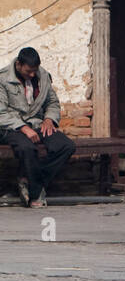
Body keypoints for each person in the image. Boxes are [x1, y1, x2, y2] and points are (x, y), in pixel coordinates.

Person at [0, 47, 75, 209]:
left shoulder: (43, 76)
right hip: (12, 127)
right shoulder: (3, 79)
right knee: (27, 148)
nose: (32, 75)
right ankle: (35, 194)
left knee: (66, 146)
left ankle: (31, 181)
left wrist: (49, 118)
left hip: (37, 123)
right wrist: (23, 128)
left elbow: (52, 103)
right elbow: (1, 113)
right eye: (29, 71)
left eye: (35, 71)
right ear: (19, 64)